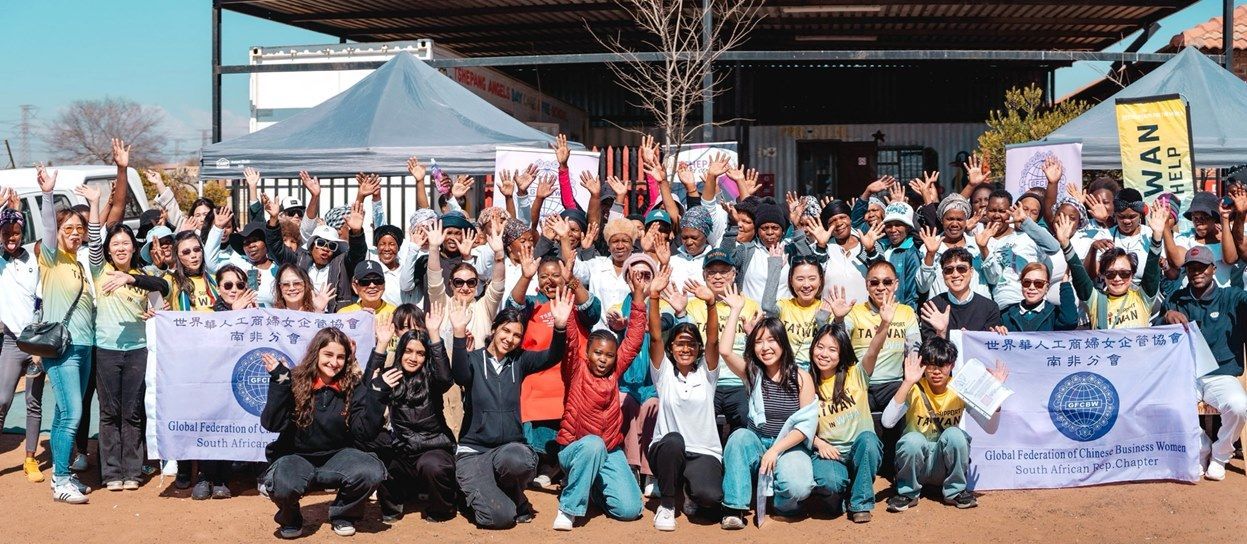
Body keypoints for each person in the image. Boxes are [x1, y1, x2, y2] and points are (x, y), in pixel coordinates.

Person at [452, 290, 572, 530]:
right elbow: (459, 374)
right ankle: (474, 496)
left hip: (508, 448)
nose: (510, 338)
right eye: (506, 330)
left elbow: (553, 356)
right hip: (474, 452)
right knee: (500, 519)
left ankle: (513, 495)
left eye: (517, 335)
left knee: (521, 460)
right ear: (494, 329)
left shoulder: (520, 361)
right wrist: (457, 333)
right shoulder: (474, 359)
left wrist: (559, 327)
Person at [260, 327, 388, 539]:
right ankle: (290, 518)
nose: (334, 362)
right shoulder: (294, 380)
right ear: (316, 354)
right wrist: (280, 383)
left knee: (371, 471)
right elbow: (272, 423)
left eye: (340, 357)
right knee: (283, 483)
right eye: (328, 355)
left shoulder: (353, 386)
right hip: (297, 457)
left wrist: (377, 397)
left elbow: (363, 431)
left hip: (338, 458)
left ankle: (343, 514)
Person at [548, 270, 651, 531]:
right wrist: (569, 290)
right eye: (598, 353)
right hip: (575, 450)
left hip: (609, 450)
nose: (603, 359)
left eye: (609, 355)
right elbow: (570, 339)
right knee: (592, 444)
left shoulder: (615, 372)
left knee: (630, 510)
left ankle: (592, 487)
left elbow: (634, 339)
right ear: (587, 353)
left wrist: (638, 297)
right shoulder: (576, 369)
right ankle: (568, 509)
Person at [84, 185, 170, 492]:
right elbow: (94, 238)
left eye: (126, 244)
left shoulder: (143, 274)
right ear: (109, 250)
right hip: (106, 350)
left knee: (133, 412)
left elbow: (163, 288)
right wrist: (94, 203)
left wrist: (132, 280)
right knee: (109, 412)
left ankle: (133, 470)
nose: (121, 248)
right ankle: (111, 473)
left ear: (134, 248)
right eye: (116, 244)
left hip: (137, 351)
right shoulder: (99, 270)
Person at [718, 285, 818, 529]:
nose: (765, 347)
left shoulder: (802, 377)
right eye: (759, 342)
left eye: (772, 340)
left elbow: (806, 426)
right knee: (739, 437)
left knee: (798, 488)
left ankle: (780, 504)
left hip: (788, 445)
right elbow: (724, 350)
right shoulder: (752, 373)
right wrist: (735, 309)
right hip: (757, 441)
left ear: (783, 344)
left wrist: (775, 450)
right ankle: (735, 507)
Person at [883, 338, 1007, 512]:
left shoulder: (960, 389)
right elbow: (887, 422)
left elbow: (990, 428)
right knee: (912, 439)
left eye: (942, 366)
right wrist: (907, 382)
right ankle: (907, 493)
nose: (936, 372)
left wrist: (995, 395)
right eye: (931, 366)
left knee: (955, 435)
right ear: (923, 365)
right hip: (917, 462)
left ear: (952, 365)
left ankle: (955, 491)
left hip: (943, 465)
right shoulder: (914, 388)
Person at [34, 165, 96, 504]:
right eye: (67, 227)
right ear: (58, 232)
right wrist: (47, 193)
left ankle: (65, 472)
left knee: (62, 414)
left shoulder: (78, 264)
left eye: (78, 228)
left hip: (85, 347)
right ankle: (60, 480)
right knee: (72, 412)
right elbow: (46, 226)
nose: (74, 232)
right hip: (62, 350)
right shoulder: (52, 259)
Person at [1161, 245, 1247, 481]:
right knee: (1168, 405)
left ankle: (1220, 455)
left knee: (1239, 406)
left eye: (1202, 268)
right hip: (1185, 373)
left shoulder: (1231, 296)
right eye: (1191, 268)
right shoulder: (1176, 298)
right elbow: (1158, 329)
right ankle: (1200, 448)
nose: (1197, 272)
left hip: (1221, 374)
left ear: (1213, 268)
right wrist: (1166, 315)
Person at [646, 272, 723, 531]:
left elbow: (713, 339)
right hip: (667, 449)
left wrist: (711, 303)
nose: (685, 348)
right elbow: (656, 336)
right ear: (671, 349)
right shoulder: (664, 373)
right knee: (673, 440)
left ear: (699, 349)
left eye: (691, 344)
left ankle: (689, 489)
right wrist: (654, 296)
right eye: (680, 344)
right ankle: (667, 504)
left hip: (703, 451)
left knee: (711, 499)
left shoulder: (707, 374)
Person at [373, 303, 459, 523]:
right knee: (379, 449)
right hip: (404, 449)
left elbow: (446, 378)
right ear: (401, 351)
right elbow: (368, 387)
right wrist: (381, 346)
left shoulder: (432, 378)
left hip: (434, 447)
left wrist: (434, 334)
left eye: (420, 353)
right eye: (409, 351)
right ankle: (392, 506)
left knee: (431, 465)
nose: (413, 358)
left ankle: (442, 508)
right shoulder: (390, 376)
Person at [808, 324, 883, 523]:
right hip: (829, 453)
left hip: (860, 451)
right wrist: (819, 443)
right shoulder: (806, 382)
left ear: (842, 354)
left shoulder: (856, 373)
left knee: (869, 440)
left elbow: (874, 349)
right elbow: (797, 425)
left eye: (833, 350)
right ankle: (847, 491)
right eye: (820, 347)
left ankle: (860, 504)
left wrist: (885, 324)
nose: (824, 354)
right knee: (830, 486)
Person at [684, 250, 759, 434]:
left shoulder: (749, 305)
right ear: (704, 276)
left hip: (740, 382)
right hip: (706, 380)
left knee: (745, 420)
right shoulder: (692, 306)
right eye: (711, 272)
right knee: (700, 425)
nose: (718, 276)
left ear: (734, 274)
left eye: (724, 271)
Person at [0, 189, 46, 483]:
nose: (11, 237)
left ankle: (30, 459)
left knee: (33, 401)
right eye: (6, 233)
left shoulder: (34, 256)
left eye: (16, 232)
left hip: (36, 342)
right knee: (2, 400)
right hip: (9, 342)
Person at [1056, 207, 1166, 329]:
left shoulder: (1143, 298)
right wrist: (1065, 243)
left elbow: (1151, 271)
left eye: (1124, 273)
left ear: (1132, 274)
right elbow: (1080, 276)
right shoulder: (1096, 300)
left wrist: (1157, 236)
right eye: (1111, 274)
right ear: (1103, 275)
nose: (1117, 278)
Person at [266, 200, 366, 312]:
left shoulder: (344, 264)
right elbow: (276, 248)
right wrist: (274, 220)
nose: (325, 248)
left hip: (335, 321)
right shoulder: (298, 261)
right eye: (321, 243)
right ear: (311, 246)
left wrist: (356, 232)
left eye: (332, 245)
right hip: (305, 319)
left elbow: (358, 253)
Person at [426, 219, 506, 349]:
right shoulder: (442, 304)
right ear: (451, 284)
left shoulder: (484, 307)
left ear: (476, 284)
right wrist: (434, 248)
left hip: (478, 368)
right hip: (445, 368)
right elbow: (434, 281)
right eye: (459, 282)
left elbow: (498, 286)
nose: (465, 287)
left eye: (471, 282)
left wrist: (499, 255)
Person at [976, 189, 1060, 308]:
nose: (996, 215)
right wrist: (983, 248)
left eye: (1034, 212)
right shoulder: (986, 238)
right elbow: (993, 279)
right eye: (1024, 209)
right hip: (1003, 305)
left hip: (1031, 303)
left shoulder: (1034, 235)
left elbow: (1054, 247)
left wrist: (1025, 221)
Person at [918, 248, 1004, 340]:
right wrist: (941, 333)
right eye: (949, 270)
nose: (955, 275)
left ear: (971, 272)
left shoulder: (990, 308)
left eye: (961, 269)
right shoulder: (931, 308)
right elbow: (930, 351)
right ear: (943, 275)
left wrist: (1000, 334)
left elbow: (990, 348)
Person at [762, 254, 829, 371]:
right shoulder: (784, 305)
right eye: (800, 279)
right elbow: (767, 306)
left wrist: (822, 323)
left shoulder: (826, 309)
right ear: (791, 281)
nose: (806, 285)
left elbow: (830, 346)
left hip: (817, 372)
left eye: (812, 279)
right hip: (787, 370)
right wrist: (775, 267)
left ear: (820, 281)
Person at [1000, 262, 1078, 332]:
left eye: (1038, 283)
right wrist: (998, 332)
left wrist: (1065, 285)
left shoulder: (1054, 314)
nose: (1031, 287)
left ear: (1047, 287)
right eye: (1026, 282)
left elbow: (1070, 322)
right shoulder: (1006, 315)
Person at [167, 231, 218, 312]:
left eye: (197, 249)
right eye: (186, 252)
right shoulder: (170, 280)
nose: (193, 255)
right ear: (177, 256)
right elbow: (156, 302)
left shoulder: (215, 280)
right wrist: (153, 310)